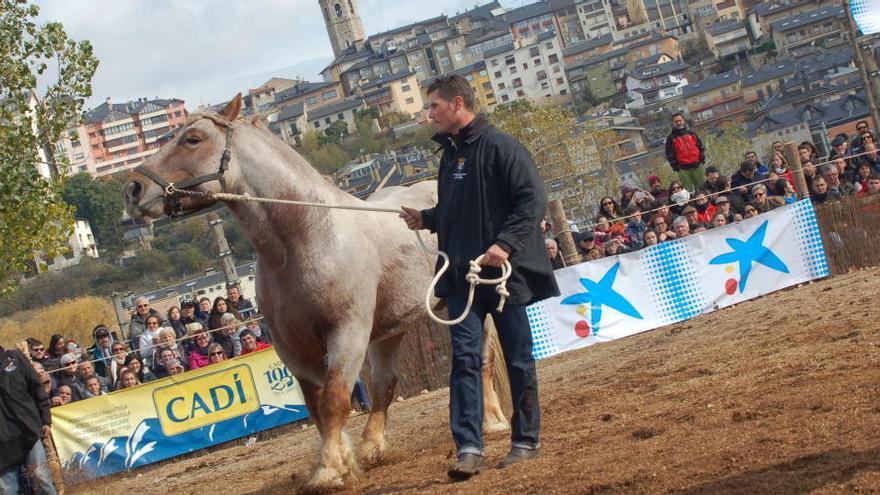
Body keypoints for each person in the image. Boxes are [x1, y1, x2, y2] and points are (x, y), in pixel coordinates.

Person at [399, 75, 559, 479]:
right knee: (466, 360)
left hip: (504, 277)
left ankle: (526, 440)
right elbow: (461, 210)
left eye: (433, 106)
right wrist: (428, 218)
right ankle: (469, 448)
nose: (429, 114)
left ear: (456, 103)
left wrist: (504, 244)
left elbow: (532, 200)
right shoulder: (450, 155)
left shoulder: (501, 146)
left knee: (519, 359)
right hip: (461, 278)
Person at [0, 345, 57, 495]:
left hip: (28, 431)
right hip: (2, 445)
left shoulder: (14, 358)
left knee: (40, 477)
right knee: (8, 490)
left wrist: (45, 419)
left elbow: (37, 388)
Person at [665, 112, 706, 192]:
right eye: (676, 121)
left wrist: (702, 159)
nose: (678, 123)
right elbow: (669, 154)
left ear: (683, 121)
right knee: (687, 192)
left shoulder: (692, 133)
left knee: (702, 190)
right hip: (683, 169)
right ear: (673, 123)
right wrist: (676, 167)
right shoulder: (671, 138)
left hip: (697, 166)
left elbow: (701, 147)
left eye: (680, 120)